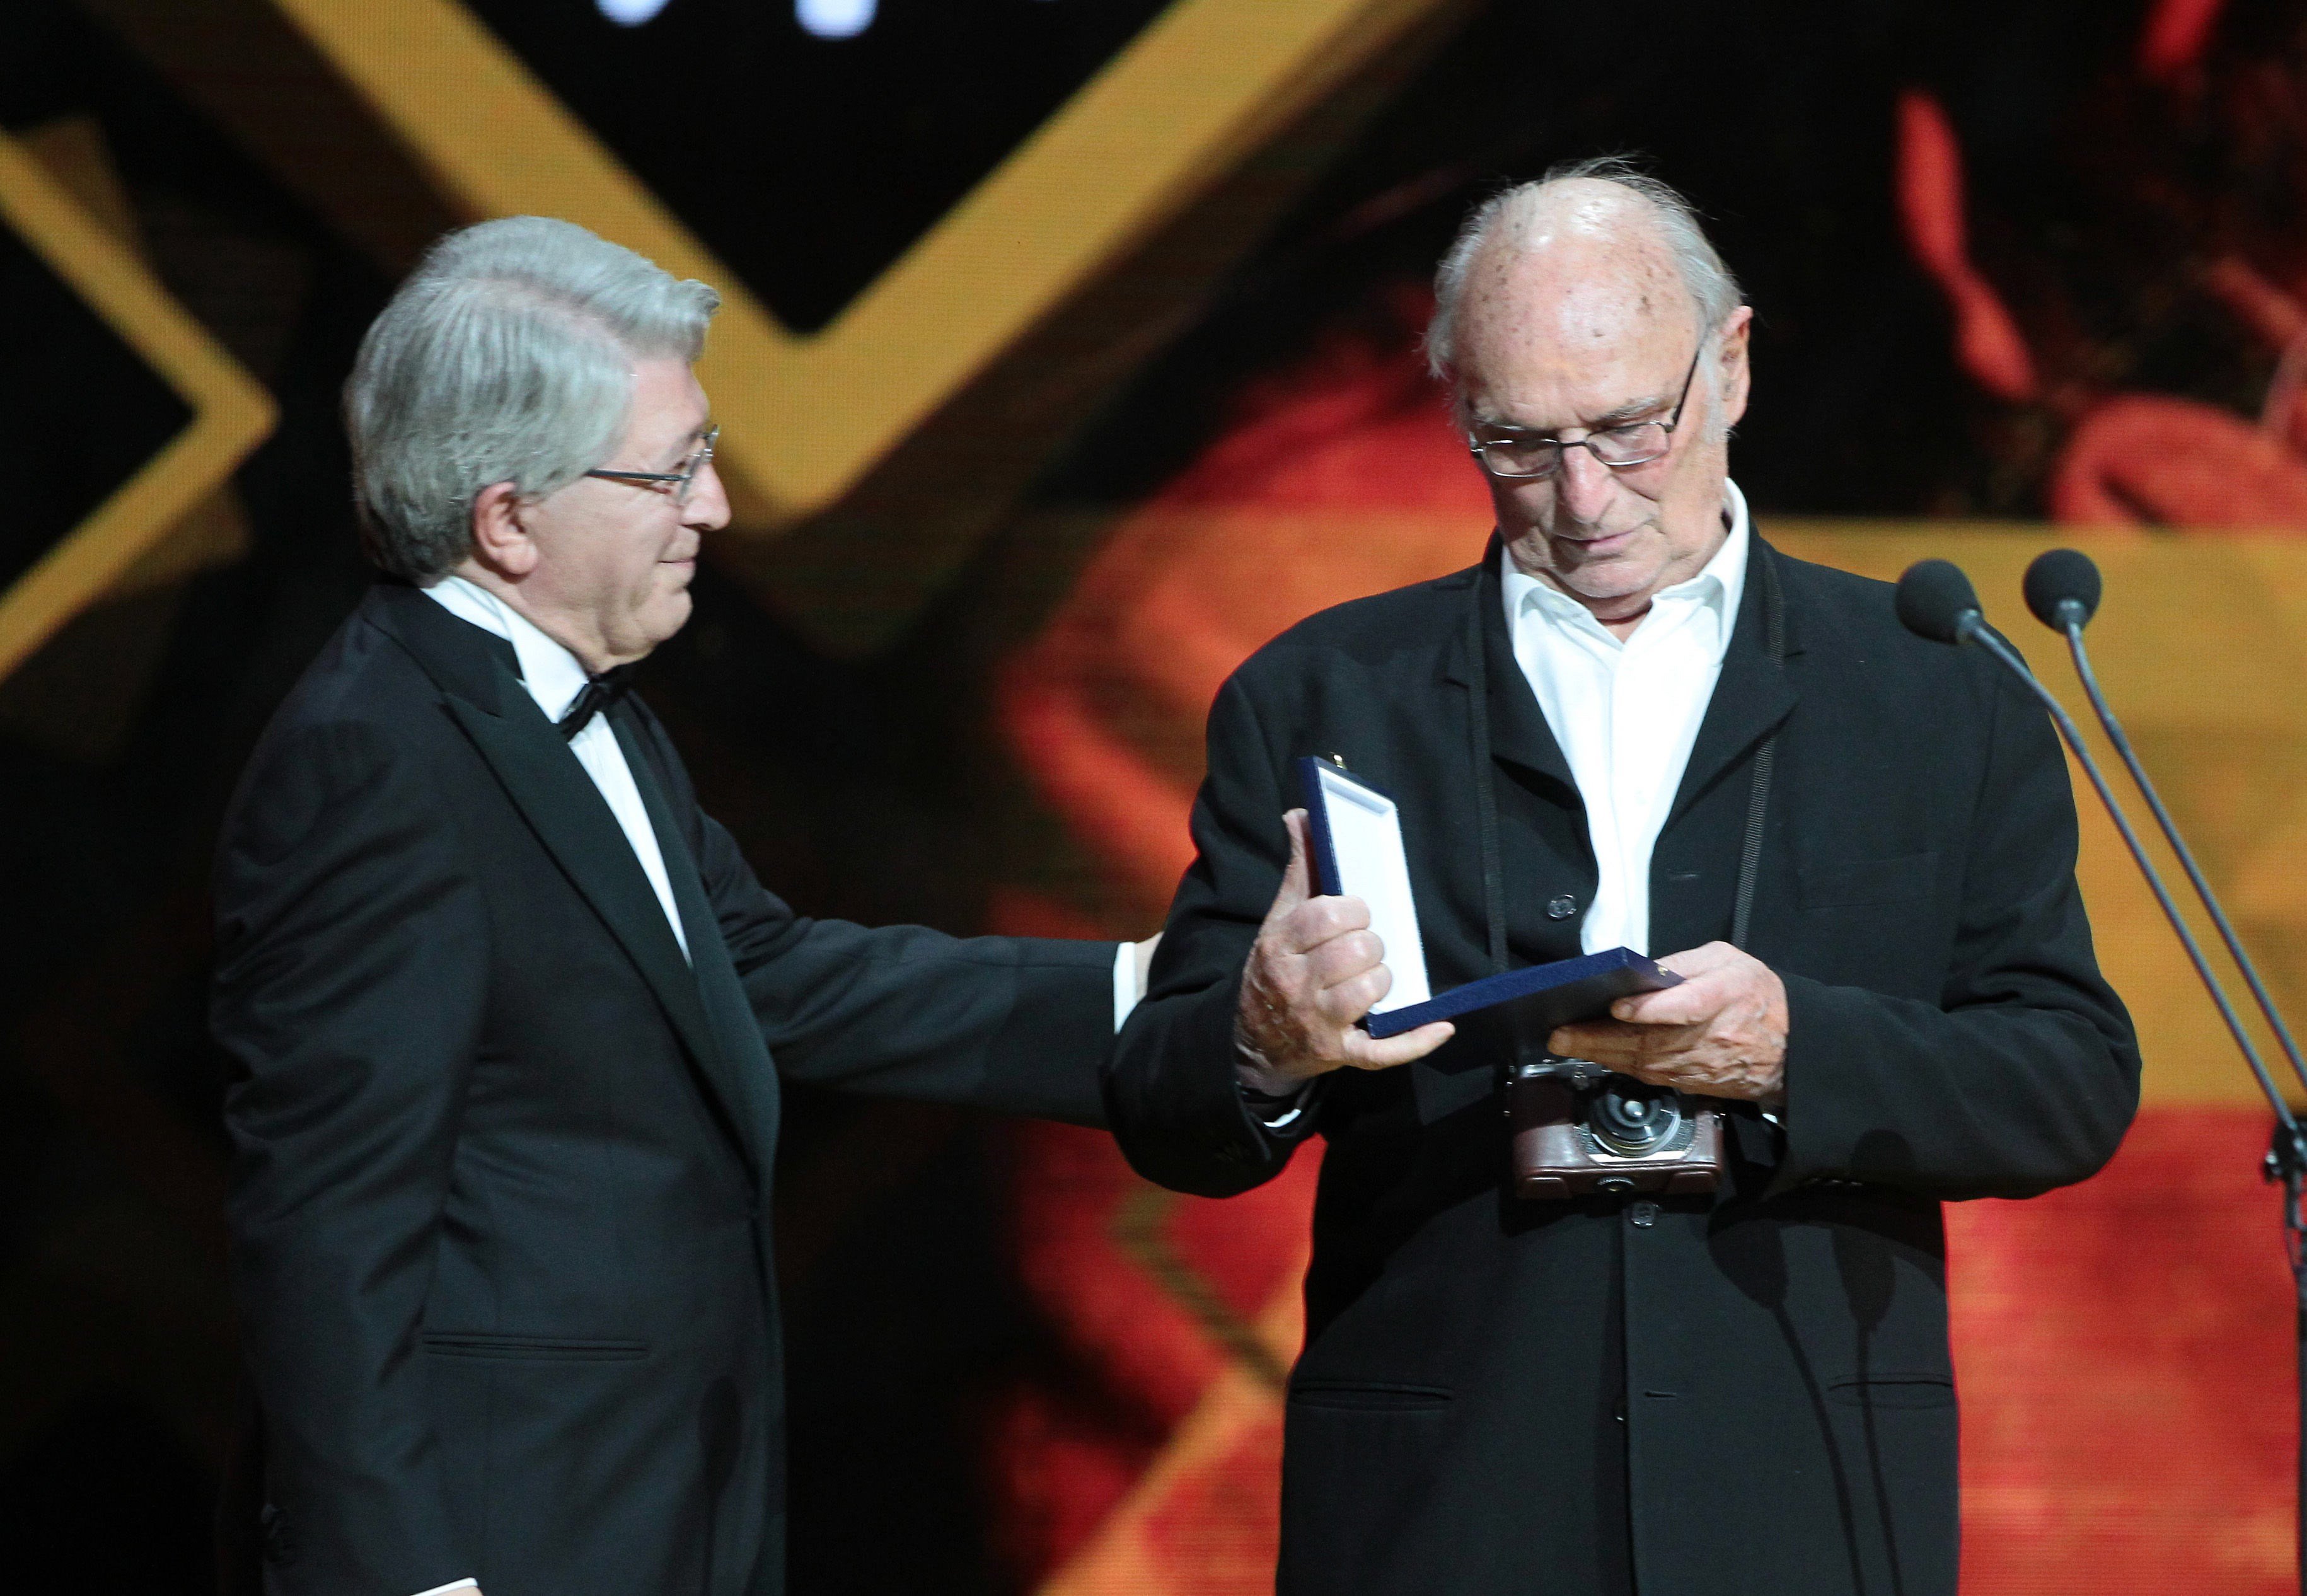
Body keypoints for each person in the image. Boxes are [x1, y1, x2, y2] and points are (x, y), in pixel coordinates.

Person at [1105, 158, 2139, 1596]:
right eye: (1518, 443)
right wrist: (1262, 1040)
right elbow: (1164, 1107)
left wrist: (1797, 1050)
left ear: (1732, 366)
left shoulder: (1939, 693)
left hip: (1804, 1488)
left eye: (1628, 428)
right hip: (1442, 1498)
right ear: (1457, 406)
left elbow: (2067, 1082)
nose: (1582, 496)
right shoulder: (1323, 697)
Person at [211, 216, 1148, 1596]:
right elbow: (324, 1231)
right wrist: (403, 1577)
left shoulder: (583, 710)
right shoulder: (376, 759)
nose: (713, 509)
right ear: (509, 518)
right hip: (507, 1535)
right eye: (674, 471)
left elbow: (766, 975)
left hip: (656, 1500)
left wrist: (1155, 991)